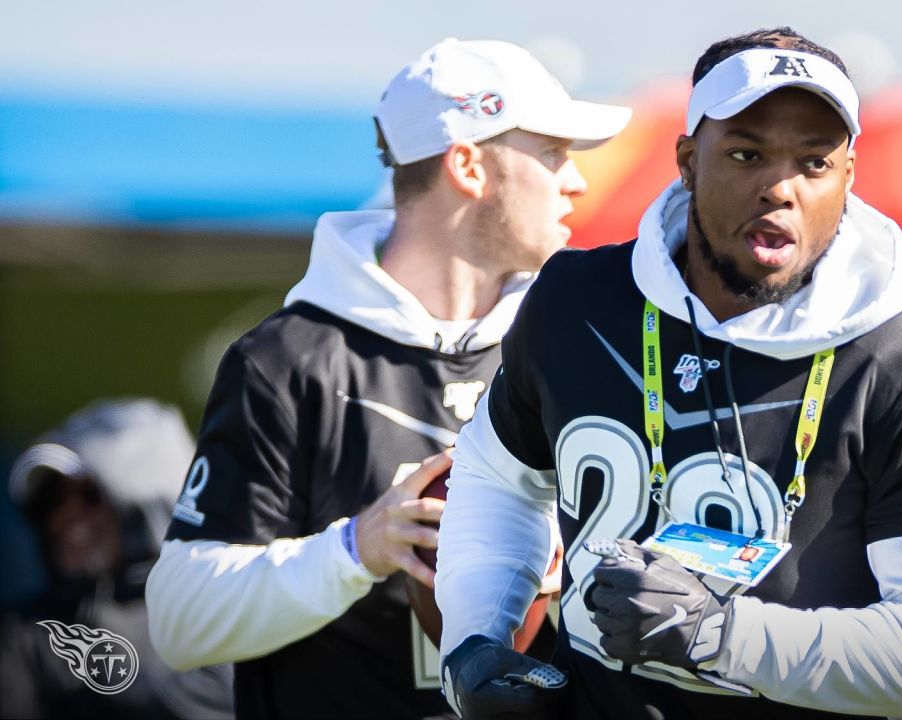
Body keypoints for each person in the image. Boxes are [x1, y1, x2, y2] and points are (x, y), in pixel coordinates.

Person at [436, 27, 902, 719]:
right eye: (746, 154)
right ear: (687, 161)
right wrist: (473, 637)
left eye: (814, 163)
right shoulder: (576, 301)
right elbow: (496, 479)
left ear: (849, 177)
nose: (780, 188)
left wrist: (723, 636)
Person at [144, 38, 629, 719]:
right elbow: (178, 622)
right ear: (468, 164)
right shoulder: (286, 360)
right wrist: (357, 548)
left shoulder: (575, 343)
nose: (574, 180)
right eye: (552, 152)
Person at [1, 399, 233, 719]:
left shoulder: (229, 613)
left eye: (91, 496)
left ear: (150, 506)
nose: (65, 517)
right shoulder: (21, 639)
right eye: (52, 499)